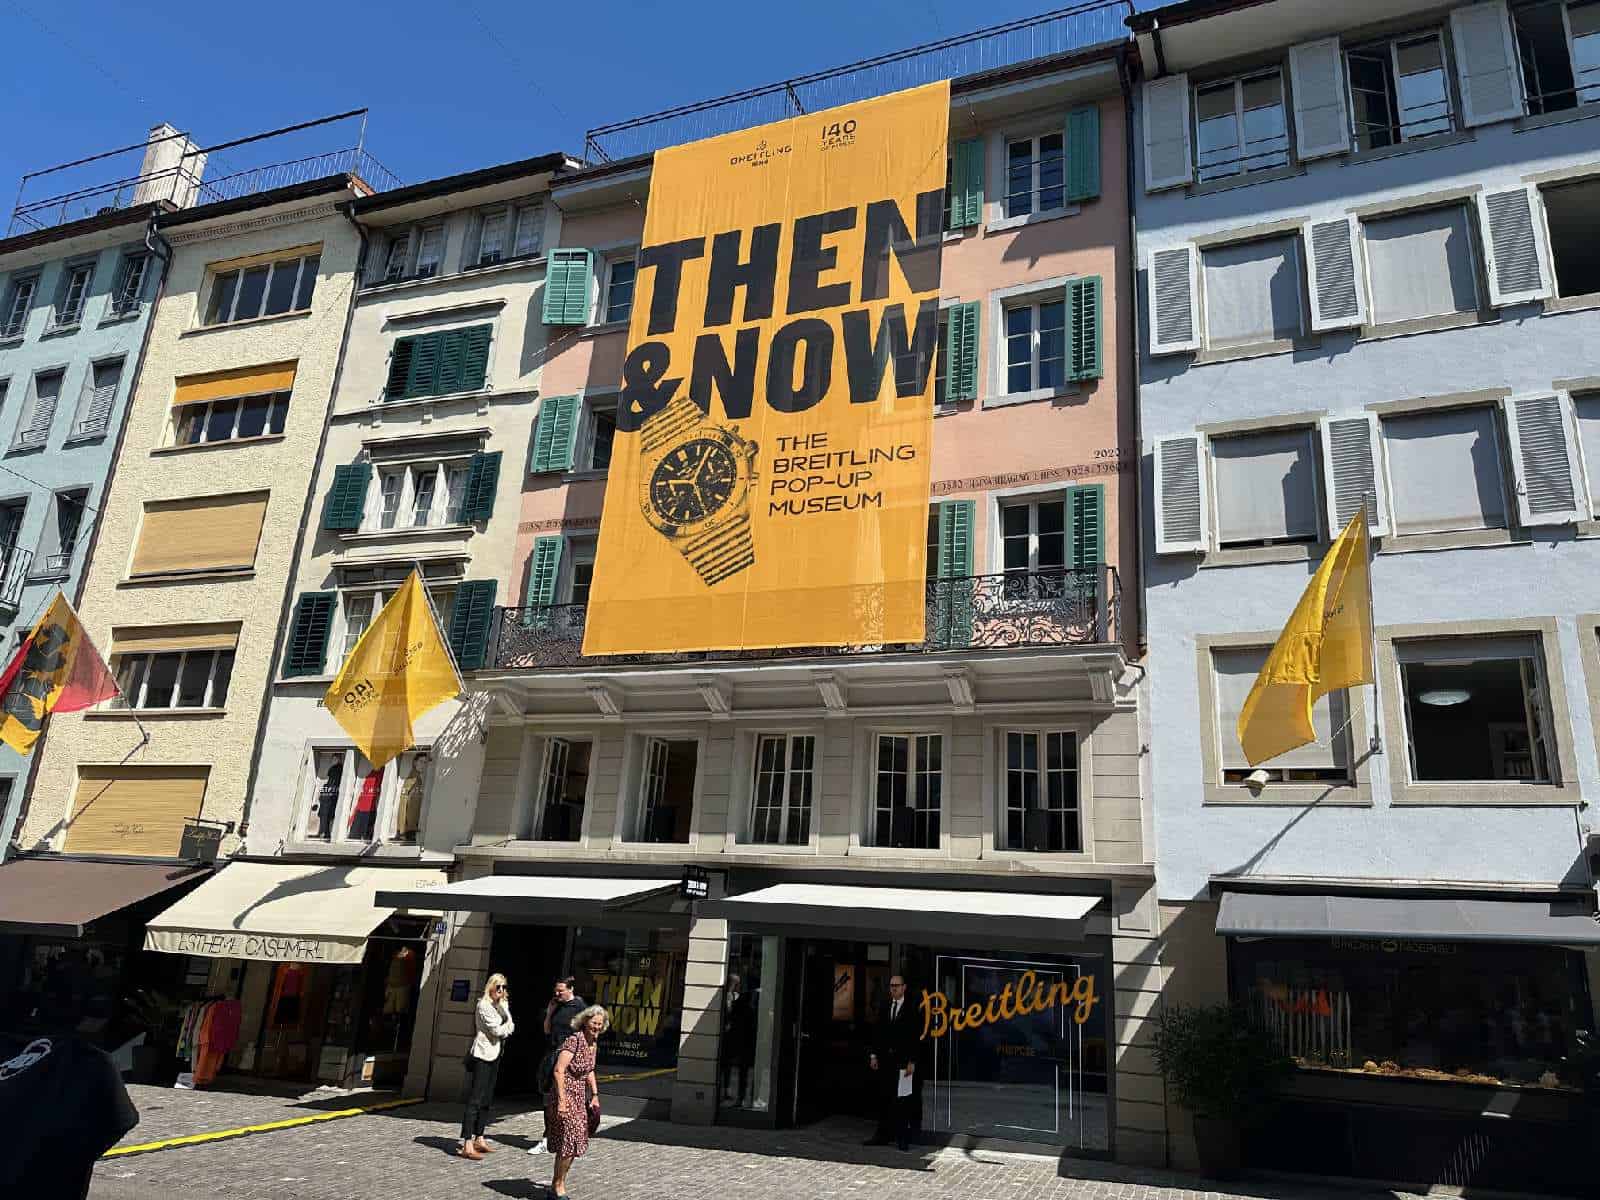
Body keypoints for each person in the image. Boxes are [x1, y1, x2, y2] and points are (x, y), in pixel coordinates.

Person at [543, 1004, 607, 1200]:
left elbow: (589, 1071)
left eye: (600, 1023)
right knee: (570, 1138)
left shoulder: (593, 1044)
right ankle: (558, 1185)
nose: (596, 1026)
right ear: (585, 1021)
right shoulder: (574, 1041)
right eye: (593, 1022)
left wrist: (595, 1095)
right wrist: (562, 1101)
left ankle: (557, 1183)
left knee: (575, 1140)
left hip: (580, 1096)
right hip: (564, 1093)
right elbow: (558, 1070)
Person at [458, 973, 514, 1160]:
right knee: (475, 1098)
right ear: (490, 987)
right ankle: (467, 1142)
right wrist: (506, 1026)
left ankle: (479, 1137)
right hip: (483, 1054)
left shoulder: (501, 1005)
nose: (501, 991)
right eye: (498, 987)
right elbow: (497, 1030)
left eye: (504, 987)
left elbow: (510, 1025)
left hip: (496, 1053)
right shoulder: (483, 1005)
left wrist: (505, 1016)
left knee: (487, 1098)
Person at [528, 976, 586, 1155]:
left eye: (561, 990)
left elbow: (585, 1035)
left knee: (562, 1097)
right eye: (556, 990)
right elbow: (547, 1030)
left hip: (567, 1057)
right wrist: (550, 1012)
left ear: (571, 989)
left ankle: (560, 1137)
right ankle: (547, 1137)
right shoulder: (556, 1006)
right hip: (552, 1054)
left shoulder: (580, 1008)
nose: (557, 993)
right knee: (547, 1096)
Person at [865, 974, 918, 1151]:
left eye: (897, 985)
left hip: (903, 1062)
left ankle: (902, 1138)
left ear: (904, 987)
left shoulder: (911, 1009)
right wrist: (873, 1055)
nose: (893, 988)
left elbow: (915, 1038)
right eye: (891, 985)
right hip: (885, 1061)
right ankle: (882, 1135)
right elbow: (876, 1032)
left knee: (902, 1101)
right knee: (884, 1098)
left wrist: (912, 1061)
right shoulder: (885, 1006)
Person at [721, 972, 756, 1105]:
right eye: (736, 983)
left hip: (734, 1037)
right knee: (730, 1065)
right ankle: (730, 1092)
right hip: (733, 1037)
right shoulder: (733, 999)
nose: (737, 986)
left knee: (733, 1066)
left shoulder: (737, 999)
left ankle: (731, 1092)